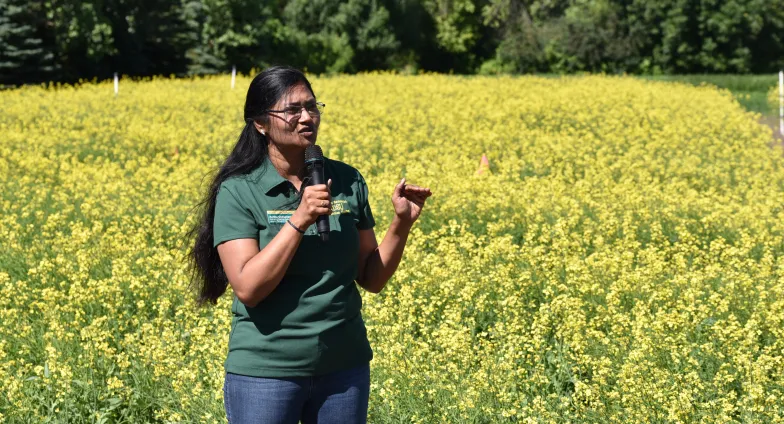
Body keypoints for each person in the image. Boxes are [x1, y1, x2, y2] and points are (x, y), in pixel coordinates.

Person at [185, 65, 432, 423]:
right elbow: (249, 288)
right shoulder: (240, 190)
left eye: (312, 107)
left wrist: (401, 223)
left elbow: (372, 278)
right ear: (261, 124)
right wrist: (298, 220)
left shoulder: (346, 180)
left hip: (343, 369)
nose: (306, 118)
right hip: (266, 372)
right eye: (292, 110)